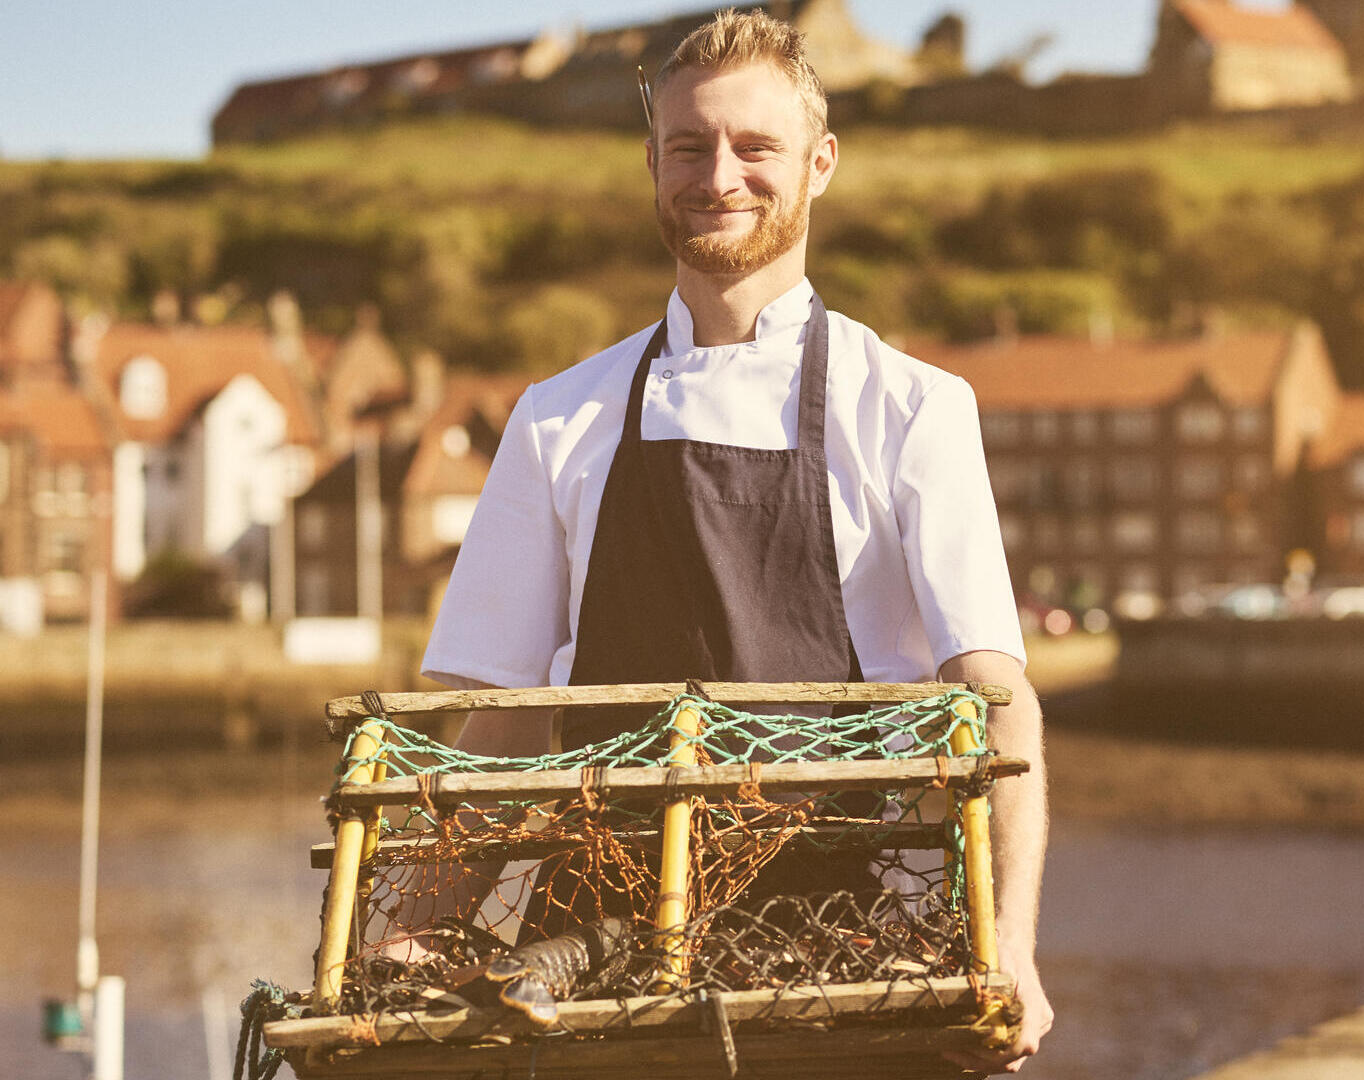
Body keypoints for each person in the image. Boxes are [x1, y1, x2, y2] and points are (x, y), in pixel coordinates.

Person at [416, 9, 1051, 1073]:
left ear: (820, 163)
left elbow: (992, 695)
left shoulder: (910, 407)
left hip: (850, 950)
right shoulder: (559, 415)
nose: (720, 176)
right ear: (652, 163)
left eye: (756, 147)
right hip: (590, 975)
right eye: (688, 147)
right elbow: (495, 719)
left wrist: (1016, 949)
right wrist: (416, 930)